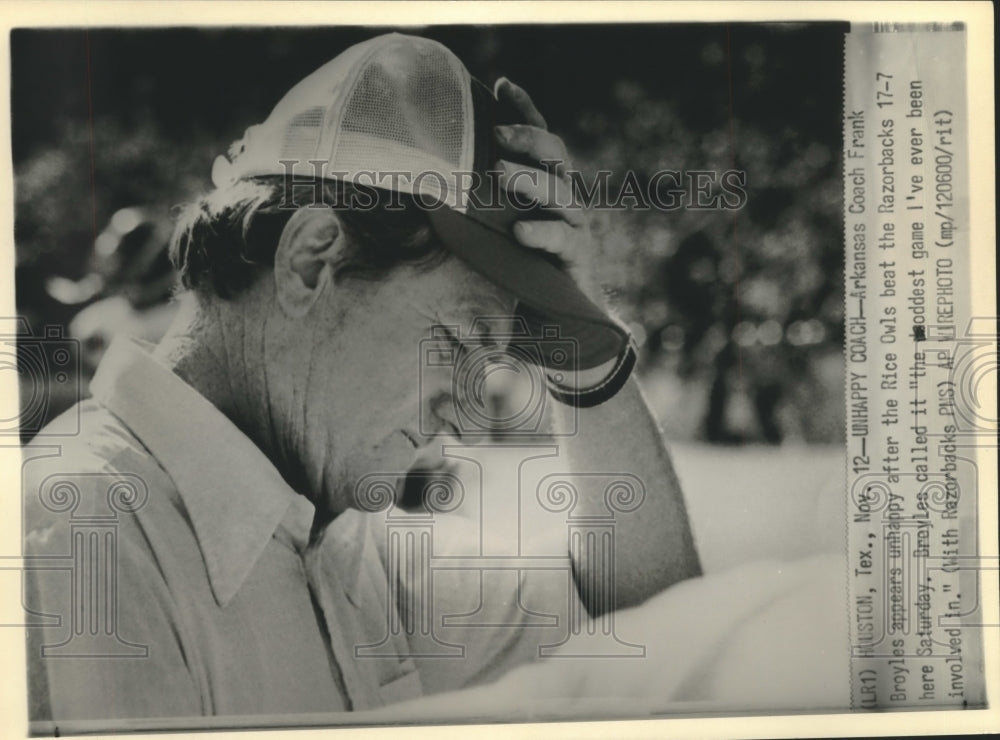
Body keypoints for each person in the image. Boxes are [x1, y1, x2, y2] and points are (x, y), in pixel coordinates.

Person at [22, 32, 699, 724]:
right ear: (313, 259)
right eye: (461, 341)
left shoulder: (354, 545)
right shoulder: (81, 530)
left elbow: (659, 645)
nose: (467, 414)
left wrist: (589, 369)